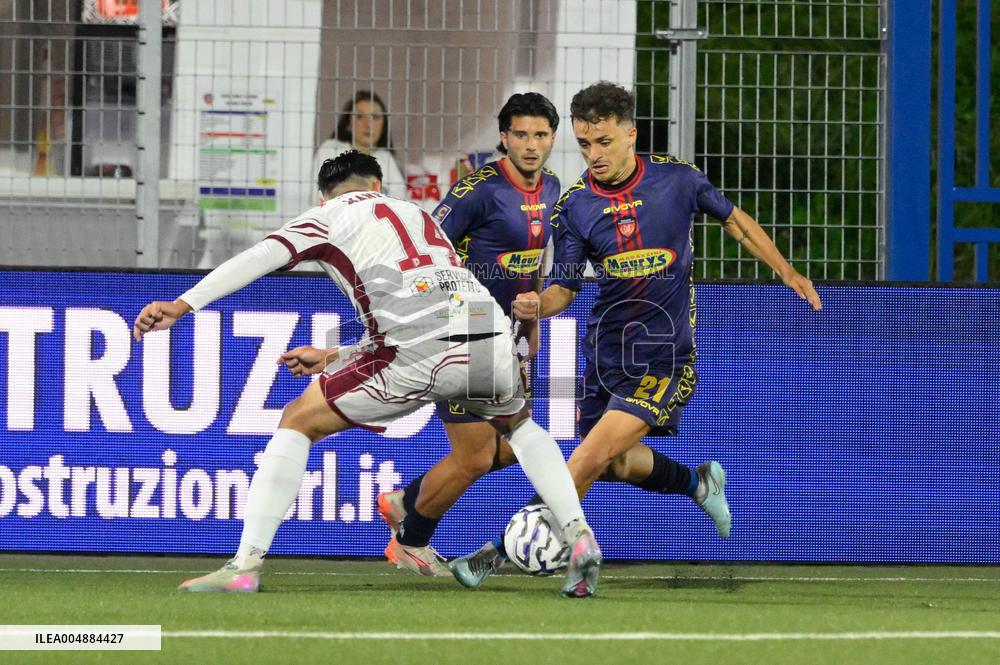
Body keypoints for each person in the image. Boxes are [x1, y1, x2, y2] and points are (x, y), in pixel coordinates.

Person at [132, 150, 602, 598]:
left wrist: (182, 304)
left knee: (298, 419)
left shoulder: (328, 216)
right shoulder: (416, 215)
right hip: (487, 327)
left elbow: (258, 258)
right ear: (377, 185)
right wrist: (337, 356)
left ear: (325, 197)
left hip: (419, 348)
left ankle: (245, 565)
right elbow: (431, 304)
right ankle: (578, 534)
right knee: (518, 426)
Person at [446, 81, 823, 587]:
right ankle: (697, 481)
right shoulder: (575, 206)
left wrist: (787, 271)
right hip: (605, 357)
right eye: (583, 144)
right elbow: (564, 288)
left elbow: (736, 223)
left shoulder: (678, 181)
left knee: (583, 459)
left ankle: (502, 555)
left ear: (631, 135)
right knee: (617, 462)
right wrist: (539, 305)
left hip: (665, 357)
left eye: (602, 142)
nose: (593, 154)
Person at [371, 92, 561, 573]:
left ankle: (404, 502)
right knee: (478, 456)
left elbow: (535, 260)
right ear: (504, 137)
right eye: (521, 134)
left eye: (540, 135)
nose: (531, 144)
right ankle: (410, 541)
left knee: (507, 448)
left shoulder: (554, 187)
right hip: (470, 328)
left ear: (553, 139)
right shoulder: (477, 190)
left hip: (511, 335)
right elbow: (426, 247)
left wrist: (532, 323)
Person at [312, 90, 407, 200]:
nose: (368, 124)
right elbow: (318, 197)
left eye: (375, 117)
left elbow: (400, 201)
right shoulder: (331, 150)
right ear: (348, 123)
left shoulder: (386, 158)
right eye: (360, 116)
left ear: (384, 125)